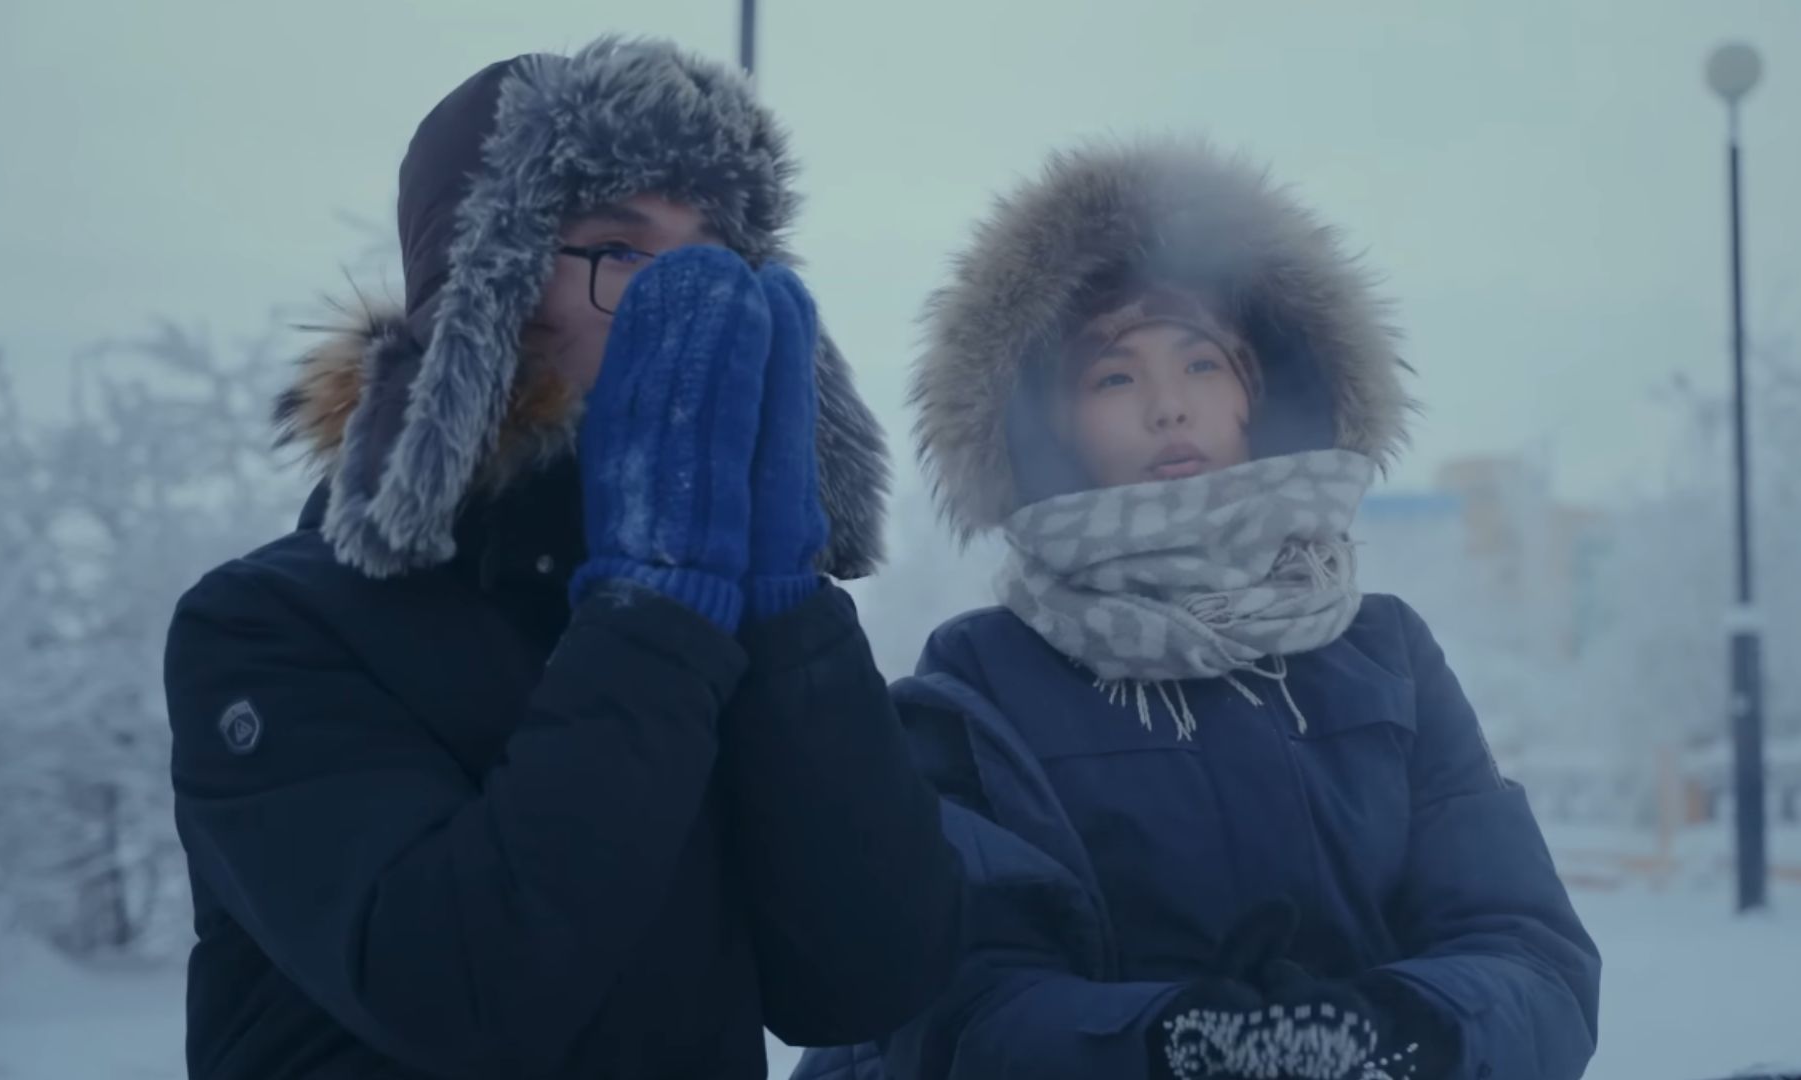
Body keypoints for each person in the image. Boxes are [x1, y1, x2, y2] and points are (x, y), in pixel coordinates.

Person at [163, 37, 961, 1080]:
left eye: (715, 263)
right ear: (488, 299)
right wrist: (653, 607)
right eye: (623, 252)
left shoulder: (738, 616)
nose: (687, 306)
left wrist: (781, 609)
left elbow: (871, 977)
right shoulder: (270, 628)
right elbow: (462, 993)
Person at [796, 137, 1600, 1080]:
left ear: (1261, 391)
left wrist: (1399, 1029)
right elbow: (964, 1003)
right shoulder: (980, 677)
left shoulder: (1388, 653)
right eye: (1114, 376)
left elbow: (1529, 952)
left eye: (1203, 365)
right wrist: (1182, 1045)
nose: (1169, 407)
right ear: (1048, 423)